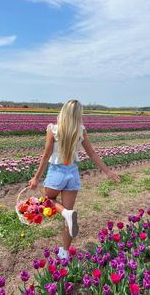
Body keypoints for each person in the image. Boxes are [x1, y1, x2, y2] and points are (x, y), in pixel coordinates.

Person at [29, 99, 120, 259]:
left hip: (57, 172)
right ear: (78, 115)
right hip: (72, 174)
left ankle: (65, 213)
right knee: (68, 216)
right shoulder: (81, 130)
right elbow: (92, 153)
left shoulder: (53, 129)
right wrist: (108, 172)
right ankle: (64, 252)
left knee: (46, 199)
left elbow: (46, 156)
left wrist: (36, 178)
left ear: (63, 111)